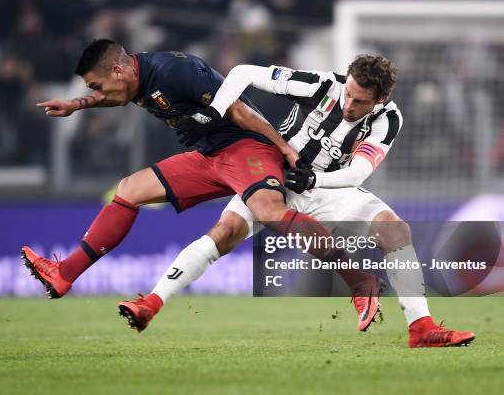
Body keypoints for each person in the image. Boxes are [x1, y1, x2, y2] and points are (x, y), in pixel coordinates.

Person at [118, 55, 476, 348]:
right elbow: (243, 72)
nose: (349, 104)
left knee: (395, 230)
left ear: (380, 100)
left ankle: (422, 328)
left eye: (359, 101)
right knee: (224, 232)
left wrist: (316, 179)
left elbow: (358, 174)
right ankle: (151, 303)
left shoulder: (388, 119)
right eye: (348, 94)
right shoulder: (321, 85)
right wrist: (216, 111)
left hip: (327, 187)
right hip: (271, 174)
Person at [22, 39, 381, 328]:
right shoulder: (134, 80)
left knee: (269, 211)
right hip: (208, 156)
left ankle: (359, 280)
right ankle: (65, 274)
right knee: (129, 189)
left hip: (245, 146)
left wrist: (283, 149)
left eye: (96, 85)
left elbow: (241, 110)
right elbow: (110, 95)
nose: (98, 92)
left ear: (118, 70)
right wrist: (77, 104)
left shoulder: (175, 70)